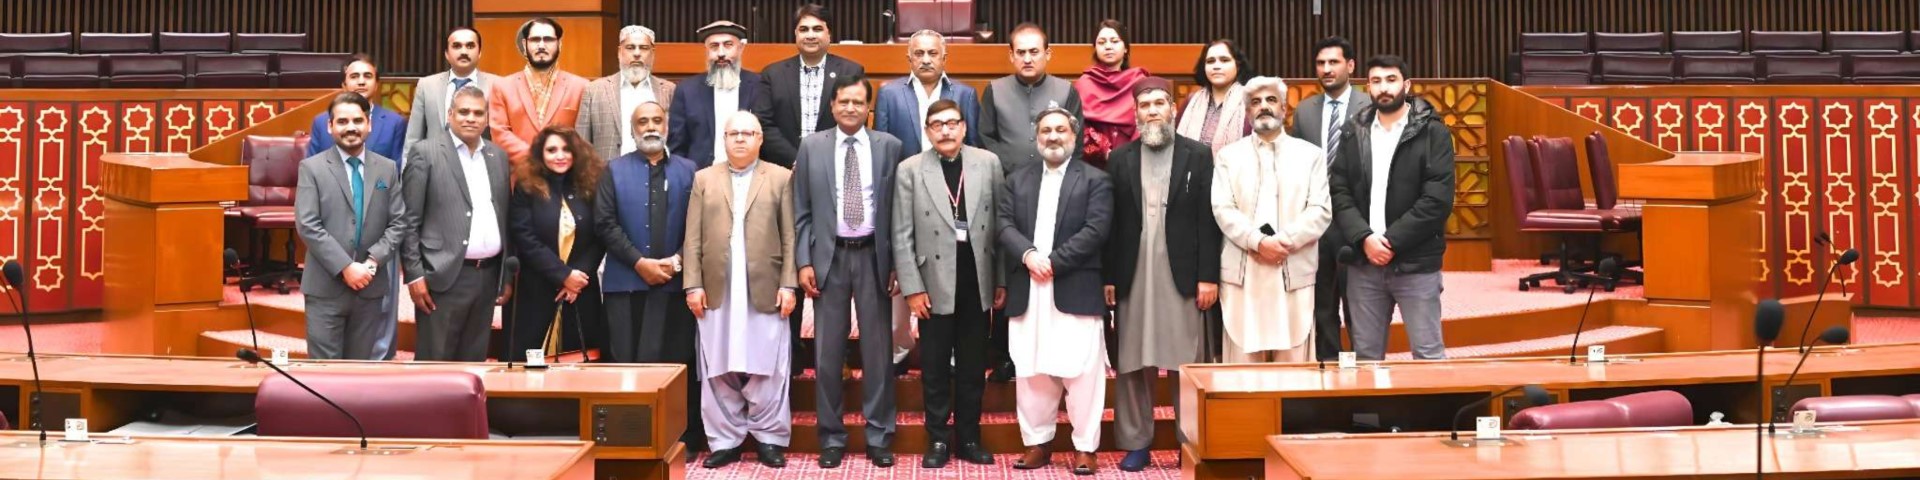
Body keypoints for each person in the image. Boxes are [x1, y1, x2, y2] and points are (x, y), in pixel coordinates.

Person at [1101, 77, 1220, 472]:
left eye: (1159, 103)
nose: (1152, 111)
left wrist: (1209, 276)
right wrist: (1109, 277)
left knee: (1187, 360)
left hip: (1182, 274)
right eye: (1145, 105)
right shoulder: (1119, 159)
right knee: (1134, 360)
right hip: (1134, 273)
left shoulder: (1198, 155)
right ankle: (1137, 442)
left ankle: (1191, 440)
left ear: (1172, 109)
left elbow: (1208, 219)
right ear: (1135, 114)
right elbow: (1113, 223)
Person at [792, 74, 904, 469]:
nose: (851, 108)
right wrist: (804, 261)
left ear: (868, 107)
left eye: (859, 102)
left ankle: (879, 435)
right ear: (833, 105)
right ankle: (832, 436)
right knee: (826, 353)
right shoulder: (811, 147)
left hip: (874, 255)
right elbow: (801, 210)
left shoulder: (889, 147)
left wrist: (896, 265)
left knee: (878, 352)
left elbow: (897, 210)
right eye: (844, 102)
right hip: (829, 257)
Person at [999, 107, 1112, 476]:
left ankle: (1085, 447)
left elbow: (1096, 230)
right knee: (1032, 370)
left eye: (1060, 130)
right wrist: (1030, 256)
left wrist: (1055, 261)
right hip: (1029, 285)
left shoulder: (1095, 179)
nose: (1052, 136)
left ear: (1073, 136)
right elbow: (1003, 224)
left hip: (1073, 285)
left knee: (1082, 373)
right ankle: (1037, 443)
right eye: (1045, 130)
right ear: (1036, 138)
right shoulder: (1017, 179)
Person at [892, 99, 1004, 469]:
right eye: (937, 124)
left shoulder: (987, 163)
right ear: (927, 131)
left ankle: (969, 437)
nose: (945, 130)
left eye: (952, 123)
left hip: (977, 276)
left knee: (973, 366)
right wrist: (911, 288)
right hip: (932, 281)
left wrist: (1000, 279)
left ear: (964, 127)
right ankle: (938, 438)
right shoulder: (910, 169)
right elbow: (901, 234)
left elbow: (1002, 228)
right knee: (936, 366)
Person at [685, 112, 798, 470]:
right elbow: (692, 238)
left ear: (760, 139)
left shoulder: (780, 177)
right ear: (723, 138)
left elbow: (791, 236)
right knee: (717, 364)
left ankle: (769, 437)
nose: (740, 139)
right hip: (717, 286)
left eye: (748, 133)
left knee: (770, 364)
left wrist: (789, 284)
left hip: (765, 284)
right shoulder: (704, 178)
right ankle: (725, 440)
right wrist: (693, 284)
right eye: (733, 133)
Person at [594, 101, 703, 452]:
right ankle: (628, 438)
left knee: (675, 361)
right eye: (643, 121)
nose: (651, 126)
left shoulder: (690, 171)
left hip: (674, 283)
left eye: (657, 120)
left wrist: (677, 261)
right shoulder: (612, 170)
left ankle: (679, 436)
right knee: (626, 361)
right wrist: (640, 263)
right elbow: (605, 224)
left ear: (668, 126)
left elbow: (699, 226)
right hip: (625, 283)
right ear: (632, 128)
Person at [1331, 55, 1455, 361]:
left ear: (1406, 85)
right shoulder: (1353, 131)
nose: (1383, 88)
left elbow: (1437, 199)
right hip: (1364, 263)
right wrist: (1365, 238)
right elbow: (1339, 191)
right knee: (1366, 357)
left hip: (1415, 263)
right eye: (1376, 81)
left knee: (1428, 355)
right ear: (1368, 86)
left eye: (1391, 80)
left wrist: (1389, 242)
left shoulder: (1432, 132)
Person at [979, 21, 1082, 382]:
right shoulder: (995, 90)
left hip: (1055, 190)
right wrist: (1015, 176)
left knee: (1048, 267)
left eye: (1034, 51)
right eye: (1020, 51)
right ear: (1010, 55)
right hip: (1009, 192)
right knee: (1011, 271)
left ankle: (1050, 348)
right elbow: (984, 139)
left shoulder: (1066, 90)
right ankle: (1006, 352)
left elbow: (1076, 141)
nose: (1026, 58)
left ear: (1047, 54)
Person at [1211, 77, 1330, 363]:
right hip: (1244, 269)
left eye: (1270, 100)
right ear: (1248, 113)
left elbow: (1320, 210)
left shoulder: (1310, 155)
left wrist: (1281, 243)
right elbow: (1222, 208)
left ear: (1284, 109)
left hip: (1292, 266)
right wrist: (1258, 241)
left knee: (1294, 365)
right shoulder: (1228, 156)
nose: (1263, 107)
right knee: (1241, 368)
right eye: (1255, 102)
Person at [400, 86, 515, 362]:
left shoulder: (497, 156)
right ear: (450, 115)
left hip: (487, 277)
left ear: (486, 119)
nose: (470, 118)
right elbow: (408, 221)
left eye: (478, 113)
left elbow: (505, 217)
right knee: (435, 364)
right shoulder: (425, 153)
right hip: (444, 276)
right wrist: (414, 275)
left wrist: (505, 276)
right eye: (463, 112)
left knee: (474, 361)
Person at [305, 54, 408, 360]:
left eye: (358, 121)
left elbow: (398, 221)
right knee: (324, 377)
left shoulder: (387, 169)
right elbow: (308, 223)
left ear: (369, 124)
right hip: (327, 282)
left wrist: (372, 262)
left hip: (371, 281)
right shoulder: (311, 168)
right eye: (343, 121)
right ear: (330, 126)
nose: (351, 127)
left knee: (361, 374)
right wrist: (346, 266)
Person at [1289, 36, 1371, 361]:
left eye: (1334, 62)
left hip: (1357, 220)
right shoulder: (1305, 110)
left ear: (1350, 66)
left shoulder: (1369, 107)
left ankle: (1365, 372)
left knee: (1359, 306)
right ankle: (1328, 371)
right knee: (1322, 305)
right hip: (1315, 221)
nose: (1326, 69)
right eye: (1321, 63)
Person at [507, 127, 607, 362]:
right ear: (540, 154)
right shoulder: (526, 185)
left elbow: (600, 235)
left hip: (581, 291)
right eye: (551, 150)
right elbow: (524, 237)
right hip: (537, 289)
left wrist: (577, 279)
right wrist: (563, 275)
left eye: (566, 149)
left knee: (579, 364)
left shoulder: (591, 185)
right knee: (530, 366)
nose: (560, 155)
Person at [760, 3, 865, 169]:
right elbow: (764, 124)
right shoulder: (772, 74)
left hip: (833, 166)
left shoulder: (850, 71)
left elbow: (854, 119)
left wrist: (823, 161)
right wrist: (794, 160)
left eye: (817, 29)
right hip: (783, 167)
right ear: (795, 33)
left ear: (829, 33)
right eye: (803, 29)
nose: (810, 35)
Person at [668, 20, 777, 169]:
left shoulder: (760, 86)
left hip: (752, 177)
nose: (721, 53)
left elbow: (770, 136)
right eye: (714, 46)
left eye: (728, 45)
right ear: (706, 51)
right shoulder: (687, 90)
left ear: (741, 48)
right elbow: (677, 145)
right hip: (701, 178)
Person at [490, 17, 589, 164]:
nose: (541, 45)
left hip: (566, 178)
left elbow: (584, 136)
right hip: (519, 177)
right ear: (525, 44)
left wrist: (557, 156)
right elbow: (499, 134)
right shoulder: (502, 87)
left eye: (548, 39)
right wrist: (536, 156)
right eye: (535, 40)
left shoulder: (582, 87)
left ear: (559, 44)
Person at [578, 25, 676, 165]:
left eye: (643, 48)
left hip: (656, 177)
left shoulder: (669, 90)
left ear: (652, 53)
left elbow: (676, 141)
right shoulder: (594, 90)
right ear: (619, 52)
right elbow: (581, 146)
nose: (637, 53)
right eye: (630, 47)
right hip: (607, 179)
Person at [875, 29, 981, 152]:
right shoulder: (889, 94)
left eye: (932, 53)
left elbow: (974, 147)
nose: (926, 60)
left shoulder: (965, 95)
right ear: (909, 59)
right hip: (904, 170)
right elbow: (880, 148)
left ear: (944, 59)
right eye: (919, 54)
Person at [404, 28, 500, 159]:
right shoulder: (427, 85)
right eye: (457, 46)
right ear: (446, 54)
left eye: (470, 46)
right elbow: (413, 139)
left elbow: (501, 137)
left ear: (479, 53)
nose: (464, 51)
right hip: (435, 168)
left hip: (479, 166)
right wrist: (408, 176)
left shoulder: (497, 85)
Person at [1072, 19, 1149, 169]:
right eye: (1101, 42)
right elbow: (1078, 125)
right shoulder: (1084, 83)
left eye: (1114, 41)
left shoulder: (1139, 82)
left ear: (1126, 48)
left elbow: (1146, 121)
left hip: (1134, 163)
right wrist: (1104, 150)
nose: (1108, 46)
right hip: (1095, 165)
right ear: (1095, 48)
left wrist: (1130, 154)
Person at [308, 54, 406, 163]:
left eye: (367, 76)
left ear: (376, 85)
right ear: (344, 85)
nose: (361, 82)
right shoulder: (321, 122)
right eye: (354, 76)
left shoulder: (394, 123)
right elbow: (312, 168)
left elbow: (396, 171)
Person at [1177, 39, 1256, 154]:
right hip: (1191, 171)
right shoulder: (1191, 101)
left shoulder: (1252, 102)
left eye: (1224, 60)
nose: (1216, 66)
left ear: (1238, 66)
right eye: (1210, 61)